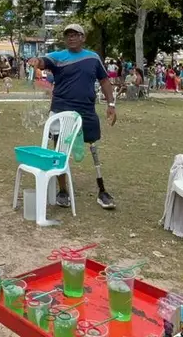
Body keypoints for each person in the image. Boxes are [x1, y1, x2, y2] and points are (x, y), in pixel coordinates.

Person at [28, 24, 117, 209]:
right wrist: (36, 61)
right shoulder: (58, 57)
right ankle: (63, 191)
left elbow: (104, 80)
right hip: (61, 110)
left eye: (75, 34)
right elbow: (44, 61)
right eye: (68, 35)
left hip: (86, 110)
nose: (71, 38)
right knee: (60, 151)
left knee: (93, 147)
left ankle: (102, 190)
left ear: (83, 38)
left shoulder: (93, 58)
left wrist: (111, 104)